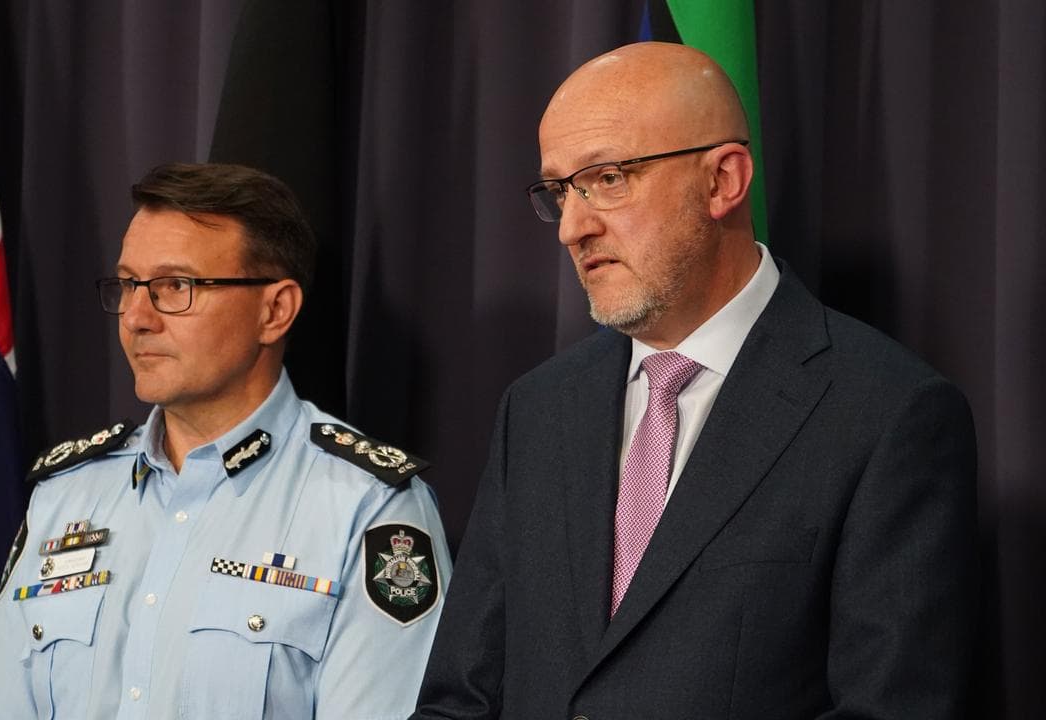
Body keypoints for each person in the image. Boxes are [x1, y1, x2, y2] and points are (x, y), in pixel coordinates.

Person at [413, 42, 977, 719]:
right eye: (560, 190)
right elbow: (461, 699)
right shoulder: (537, 409)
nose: (572, 226)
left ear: (722, 181)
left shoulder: (887, 412)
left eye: (608, 178)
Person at [0, 162, 450, 719]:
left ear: (275, 310)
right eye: (129, 284)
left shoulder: (370, 507)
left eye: (174, 286)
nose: (135, 316)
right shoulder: (67, 494)